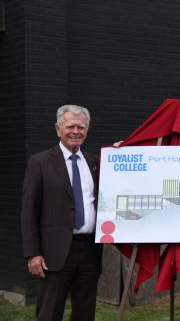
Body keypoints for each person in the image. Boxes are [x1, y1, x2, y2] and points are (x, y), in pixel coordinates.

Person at [21, 104, 102, 321]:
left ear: (87, 130)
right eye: (70, 126)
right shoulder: (40, 162)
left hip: (90, 252)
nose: (76, 131)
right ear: (58, 128)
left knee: (85, 313)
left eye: (81, 127)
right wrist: (32, 253)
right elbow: (29, 210)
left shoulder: (95, 162)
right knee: (49, 313)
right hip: (53, 253)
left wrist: (123, 152)